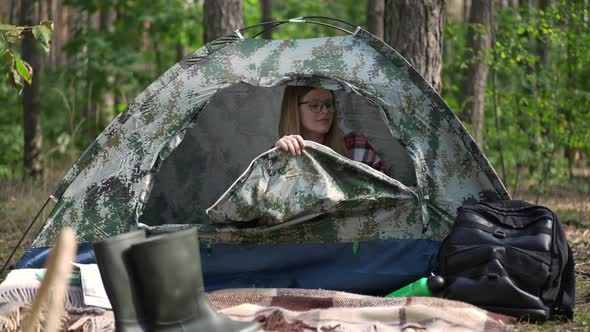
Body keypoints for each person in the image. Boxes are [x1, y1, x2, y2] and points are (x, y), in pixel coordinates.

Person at [275, 86, 383, 171]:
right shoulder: (283, 151)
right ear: (294, 110)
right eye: (315, 105)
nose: (325, 111)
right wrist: (278, 158)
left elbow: (384, 195)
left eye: (329, 104)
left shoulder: (356, 147)